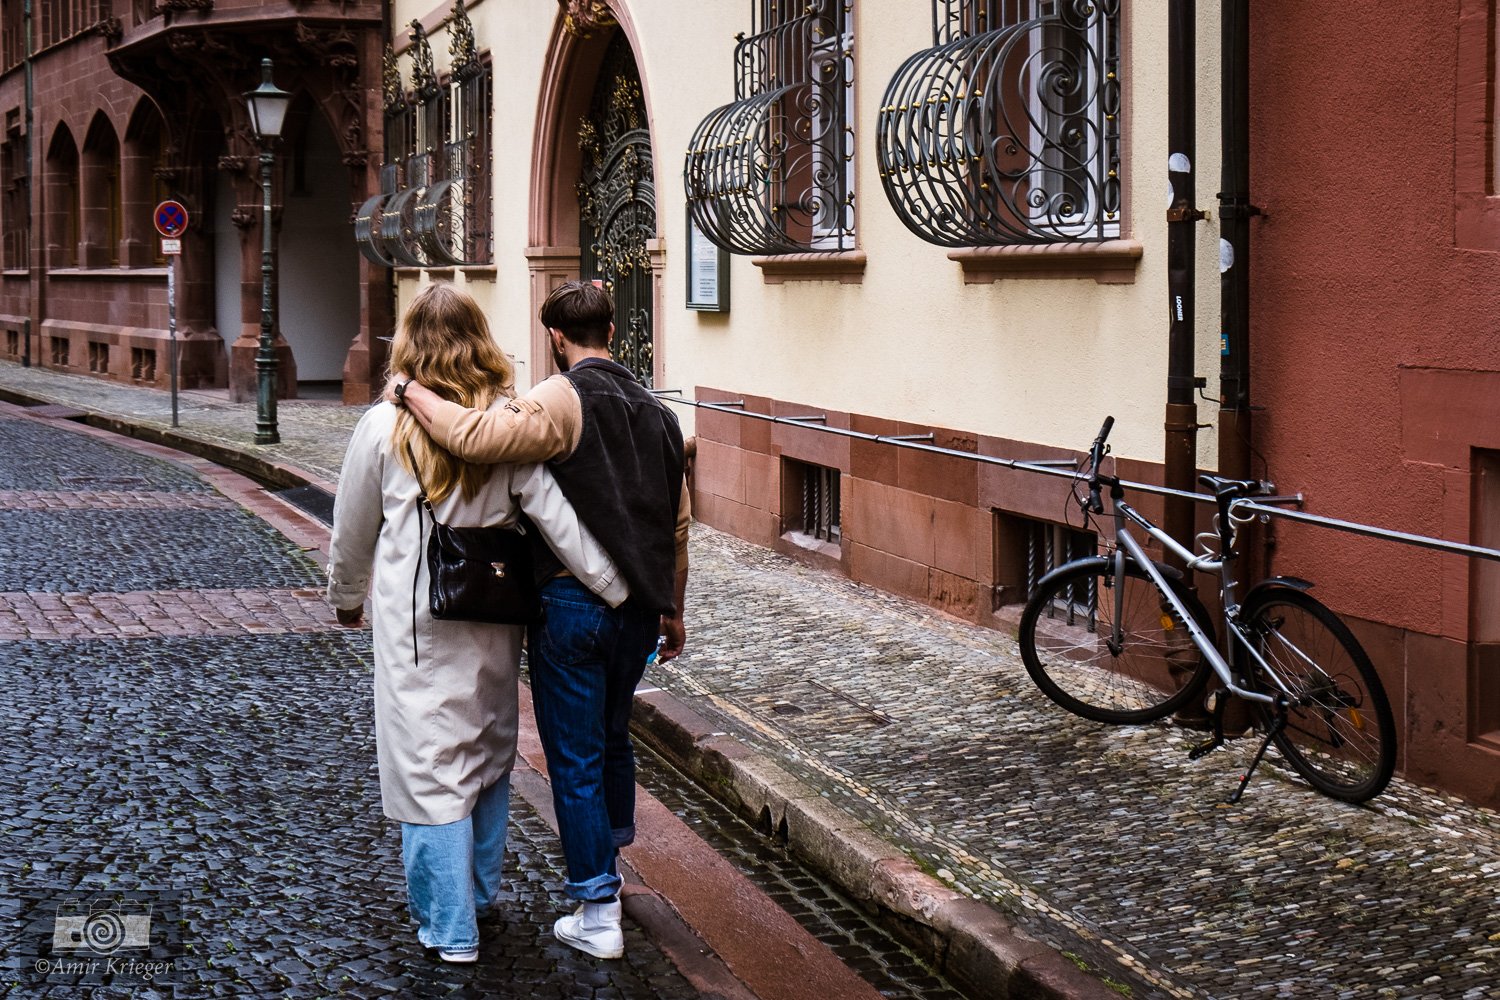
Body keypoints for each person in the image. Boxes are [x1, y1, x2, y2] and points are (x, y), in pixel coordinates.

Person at [326, 283, 626, 964]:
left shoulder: (383, 426)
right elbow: (555, 515)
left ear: (408, 346)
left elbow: (351, 531)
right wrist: (617, 590)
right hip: (494, 616)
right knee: (488, 757)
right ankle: (481, 895)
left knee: (430, 769)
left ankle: (450, 927)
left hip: (415, 622)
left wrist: (346, 597)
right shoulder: (502, 425)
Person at [392, 280, 689, 960]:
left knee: (577, 756)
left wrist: (409, 390)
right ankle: (609, 874)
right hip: (640, 611)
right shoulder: (657, 410)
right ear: (611, 331)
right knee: (613, 741)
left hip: (574, 604)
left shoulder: (561, 397)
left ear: (557, 337)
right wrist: (673, 608)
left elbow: (472, 435)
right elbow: (678, 526)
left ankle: (597, 905)